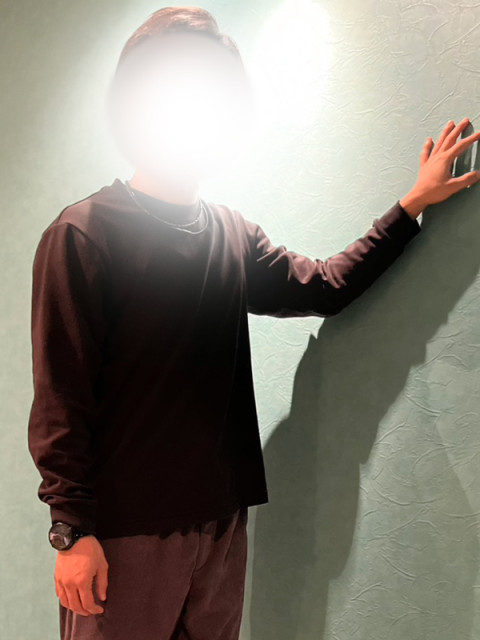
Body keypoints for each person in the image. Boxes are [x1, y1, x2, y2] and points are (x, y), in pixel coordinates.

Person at [27, 6, 480, 640]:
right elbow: (62, 397)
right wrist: (70, 530)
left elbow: (325, 285)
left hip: (222, 523)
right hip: (123, 532)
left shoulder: (229, 234)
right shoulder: (82, 235)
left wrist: (410, 206)